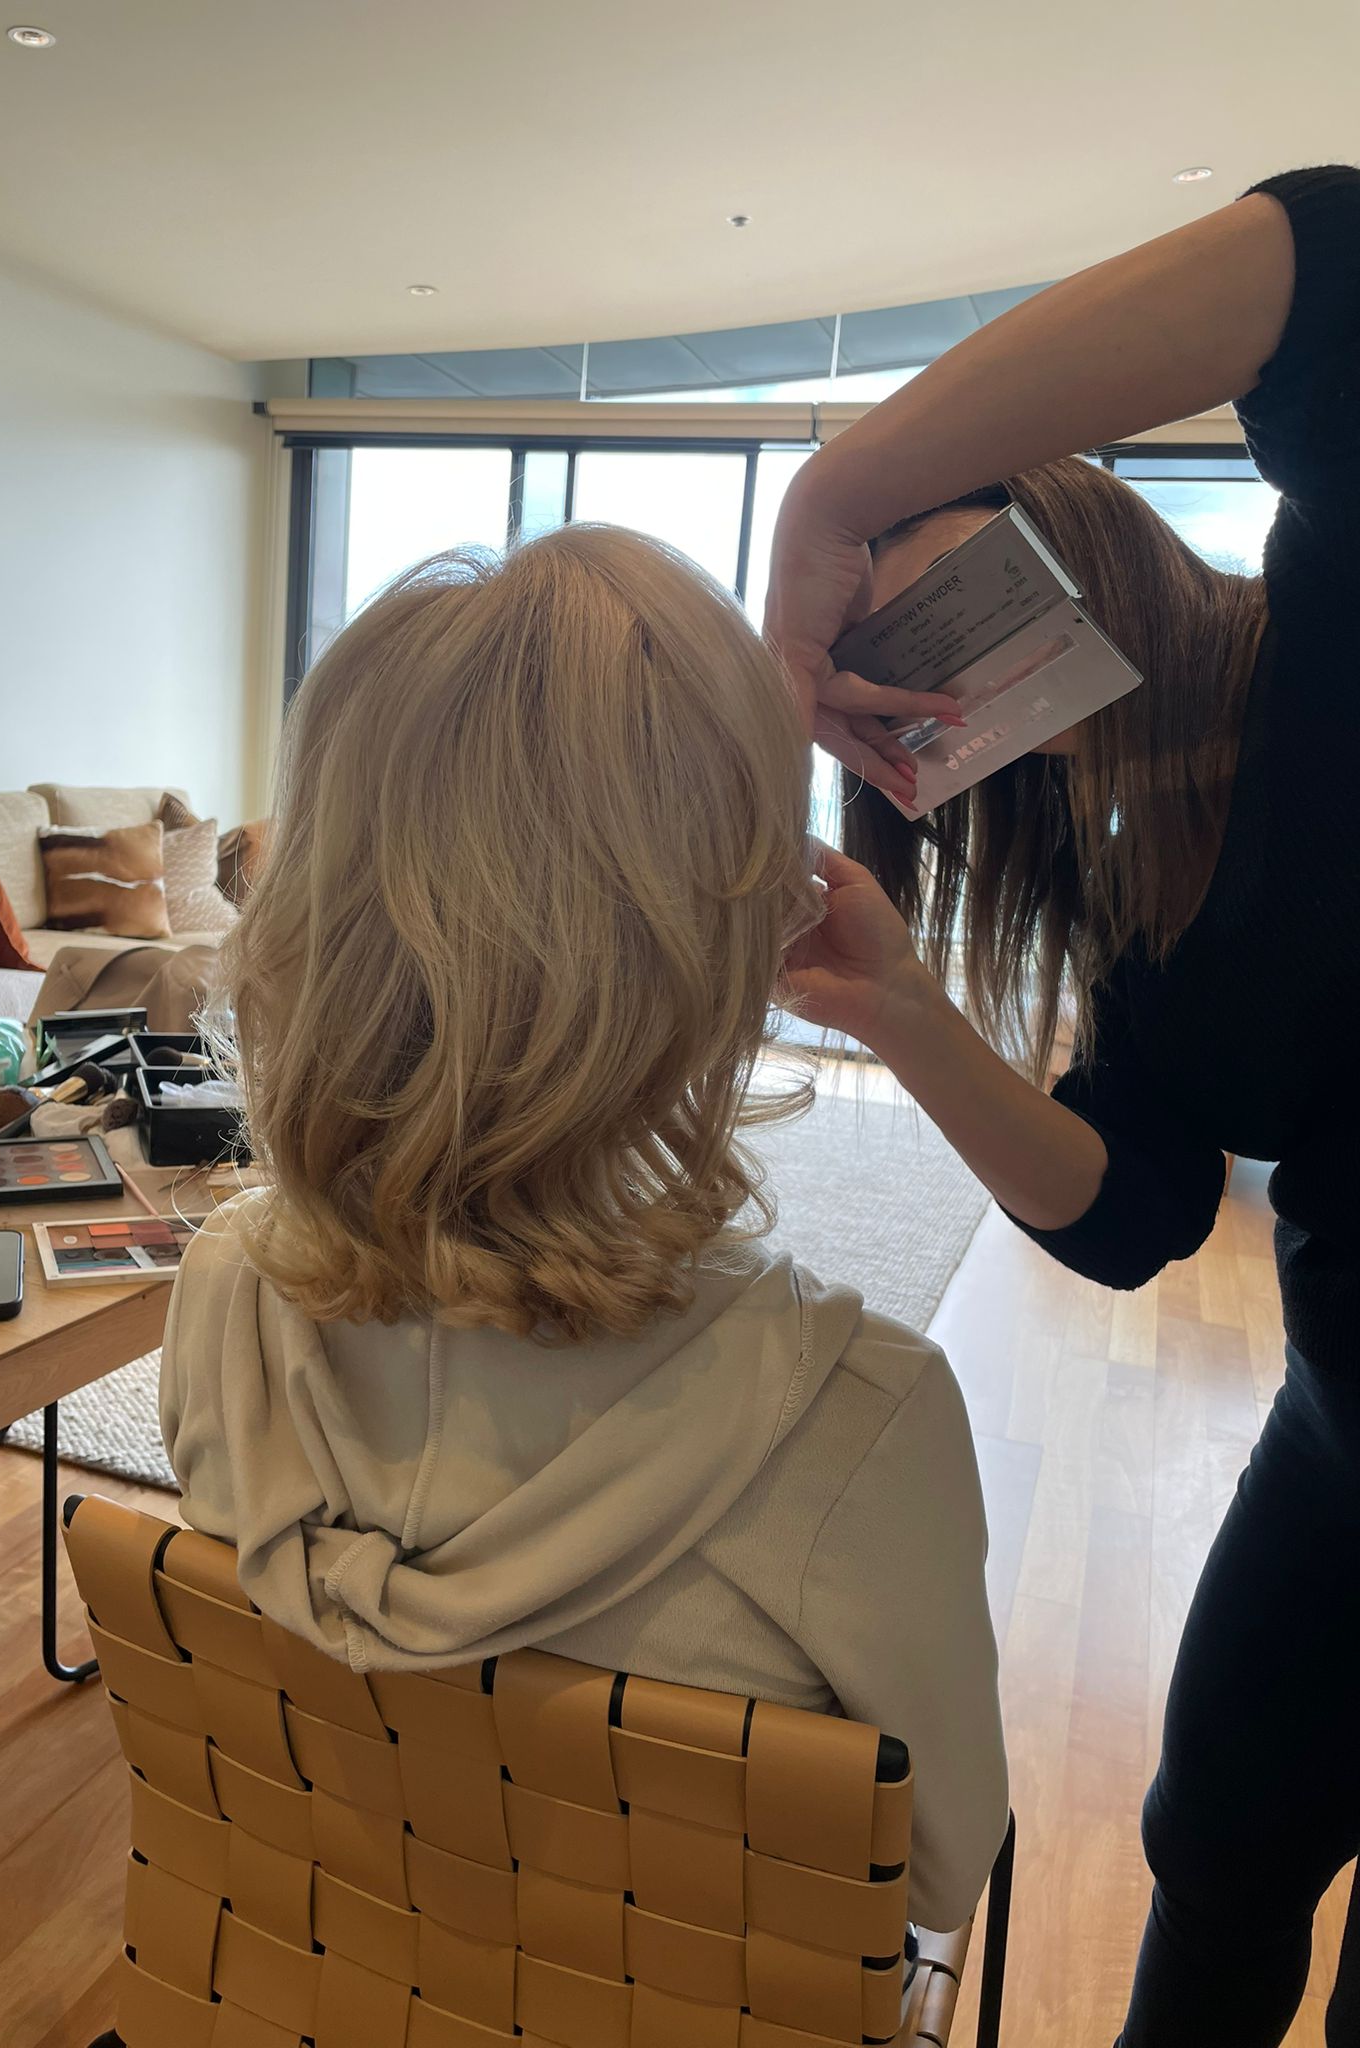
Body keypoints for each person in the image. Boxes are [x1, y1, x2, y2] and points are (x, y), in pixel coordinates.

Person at [160, 523, 1009, 1933]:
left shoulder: (224, 1294)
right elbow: (943, 1865)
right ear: (735, 931)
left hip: (326, 1976)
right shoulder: (860, 1420)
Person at [766, 166, 1360, 2045]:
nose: (930, 678)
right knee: (1217, 1858)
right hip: (1351, 1429)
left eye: (941, 609)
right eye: (895, 684)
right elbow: (1133, 1213)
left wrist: (832, 495)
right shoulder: (1152, 915)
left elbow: (1324, 255)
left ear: (1082, 542)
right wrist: (908, 1016)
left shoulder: (1333, 609)